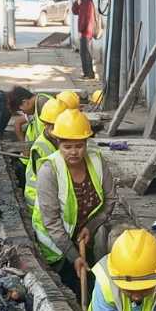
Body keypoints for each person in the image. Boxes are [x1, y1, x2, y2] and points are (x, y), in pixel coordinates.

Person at [33, 108, 116, 290]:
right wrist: (74, 257)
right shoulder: (49, 171)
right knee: (69, 286)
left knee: (95, 283)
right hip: (56, 247)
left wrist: (91, 227)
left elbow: (110, 199)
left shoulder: (97, 161)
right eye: (67, 147)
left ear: (86, 143)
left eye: (79, 146)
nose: (73, 152)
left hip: (86, 236)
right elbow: (52, 222)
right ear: (58, 143)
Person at [23, 95, 64, 211]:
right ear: (45, 124)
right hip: (37, 199)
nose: (57, 130)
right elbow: (47, 180)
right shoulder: (40, 147)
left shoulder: (57, 140)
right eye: (54, 126)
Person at [71, 0, 98, 79]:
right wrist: (77, 2)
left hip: (87, 31)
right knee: (83, 53)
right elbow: (74, 11)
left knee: (86, 53)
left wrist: (81, 30)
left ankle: (89, 73)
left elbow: (86, 18)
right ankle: (86, 73)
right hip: (83, 31)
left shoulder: (88, 2)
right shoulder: (82, 1)